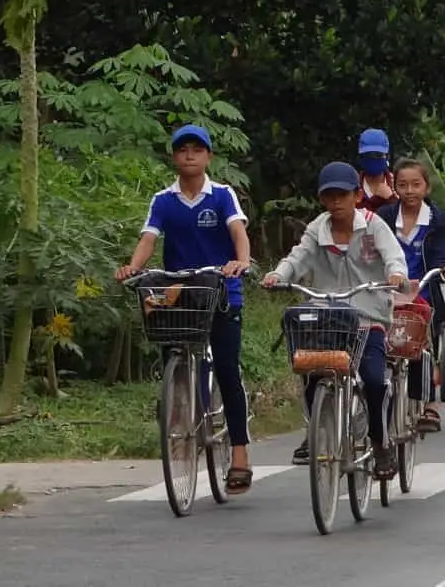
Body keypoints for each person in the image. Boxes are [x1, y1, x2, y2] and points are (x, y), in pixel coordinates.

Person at [117, 124, 254, 493]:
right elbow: (149, 237)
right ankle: (181, 416)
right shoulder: (163, 199)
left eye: (197, 149)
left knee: (226, 368)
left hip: (220, 289)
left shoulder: (222, 195)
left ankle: (239, 453)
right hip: (179, 292)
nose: (189, 155)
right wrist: (133, 266)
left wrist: (241, 261)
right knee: (174, 355)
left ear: (208, 156)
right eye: (183, 150)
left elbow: (238, 231)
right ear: (174, 157)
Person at [264, 162, 410, 479]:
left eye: (342, 195)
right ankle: (317, 428)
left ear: (357, 196)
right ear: (321, 199)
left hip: (367, 315)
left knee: (373, 379)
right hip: (326, 314)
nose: (336, 203)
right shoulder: (318, 228)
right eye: (329, 196)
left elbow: (393, 256)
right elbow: (297, 257)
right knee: (310, 370)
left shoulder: (373, 226)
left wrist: (396, 274)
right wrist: (279, 274)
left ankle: (379, 440)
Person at [376, 159, 445, 433]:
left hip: (425, 292)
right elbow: (372, 250)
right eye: (403, 185)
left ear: (427, 187)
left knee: (424, 346)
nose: (409, 191)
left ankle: (430, 404)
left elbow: (443, 253)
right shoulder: (383, 217)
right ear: (395, 187)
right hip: (388, 292)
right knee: (379, 343)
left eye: (416, 184)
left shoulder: (437, 220)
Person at [356, 128, 398, 211]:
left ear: (387, 156)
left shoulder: (398, 183)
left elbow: (406, 215)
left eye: (378, 155)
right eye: (368, 155)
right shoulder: (353, 184)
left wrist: (391, 198)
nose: (372, 158)